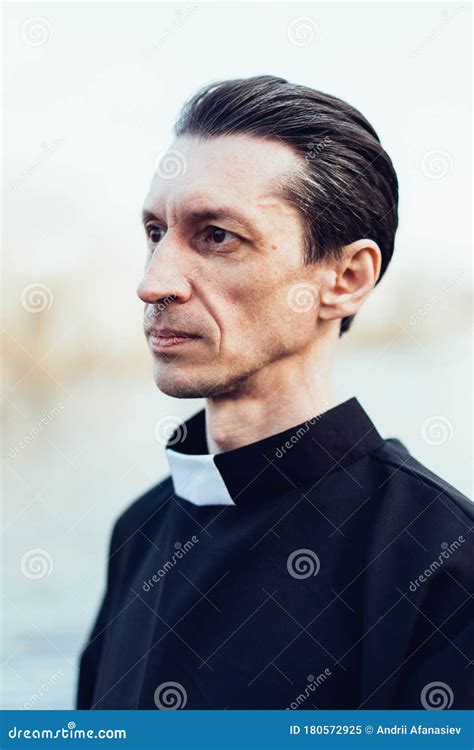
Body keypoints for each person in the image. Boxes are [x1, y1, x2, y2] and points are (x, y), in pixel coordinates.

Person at [77, 76, 473, 710]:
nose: (154, 283)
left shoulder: (444, 562)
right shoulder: (140, 530)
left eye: (216, 236)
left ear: (345, 278)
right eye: (156, 232)